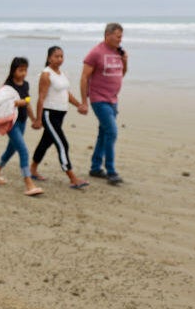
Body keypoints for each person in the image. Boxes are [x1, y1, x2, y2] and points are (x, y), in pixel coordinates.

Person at [29, 46, 89, 189]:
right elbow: (41, 98)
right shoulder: (46, 74)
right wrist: (38, 119)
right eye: (56, 56)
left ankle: (32, 170)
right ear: (49, 58)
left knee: (45, 143)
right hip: (49, 115)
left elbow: (66, 94)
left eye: (61, 56)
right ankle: (73, 178)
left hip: (60, 115)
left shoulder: (62, 74)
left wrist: (79, 105)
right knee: (63, 144)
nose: (60, 59)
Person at [79, 22, 128, 185]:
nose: (120, 40)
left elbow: (121, 73)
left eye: (121, 36)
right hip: (99, 99)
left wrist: (125, 60)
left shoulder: (118, 52)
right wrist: (84, 102)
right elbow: (84, 77)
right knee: (112, 132)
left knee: (104, 133)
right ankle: (111, 171)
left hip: (113, 99)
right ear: (108, 35)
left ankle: (95, 167)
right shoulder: (96, 53)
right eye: (118, 36)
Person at [0, 57, 44, 196]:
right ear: (13, 70)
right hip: (11, 123)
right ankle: (29, 184)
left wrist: (34, 119)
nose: (23, 73)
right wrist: (15, 103)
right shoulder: (8, 87)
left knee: (11, 149)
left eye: (25, 70)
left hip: (22, 122)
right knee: (23, 151)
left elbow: (27, 103)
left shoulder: (25, 85)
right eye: (20, 70)